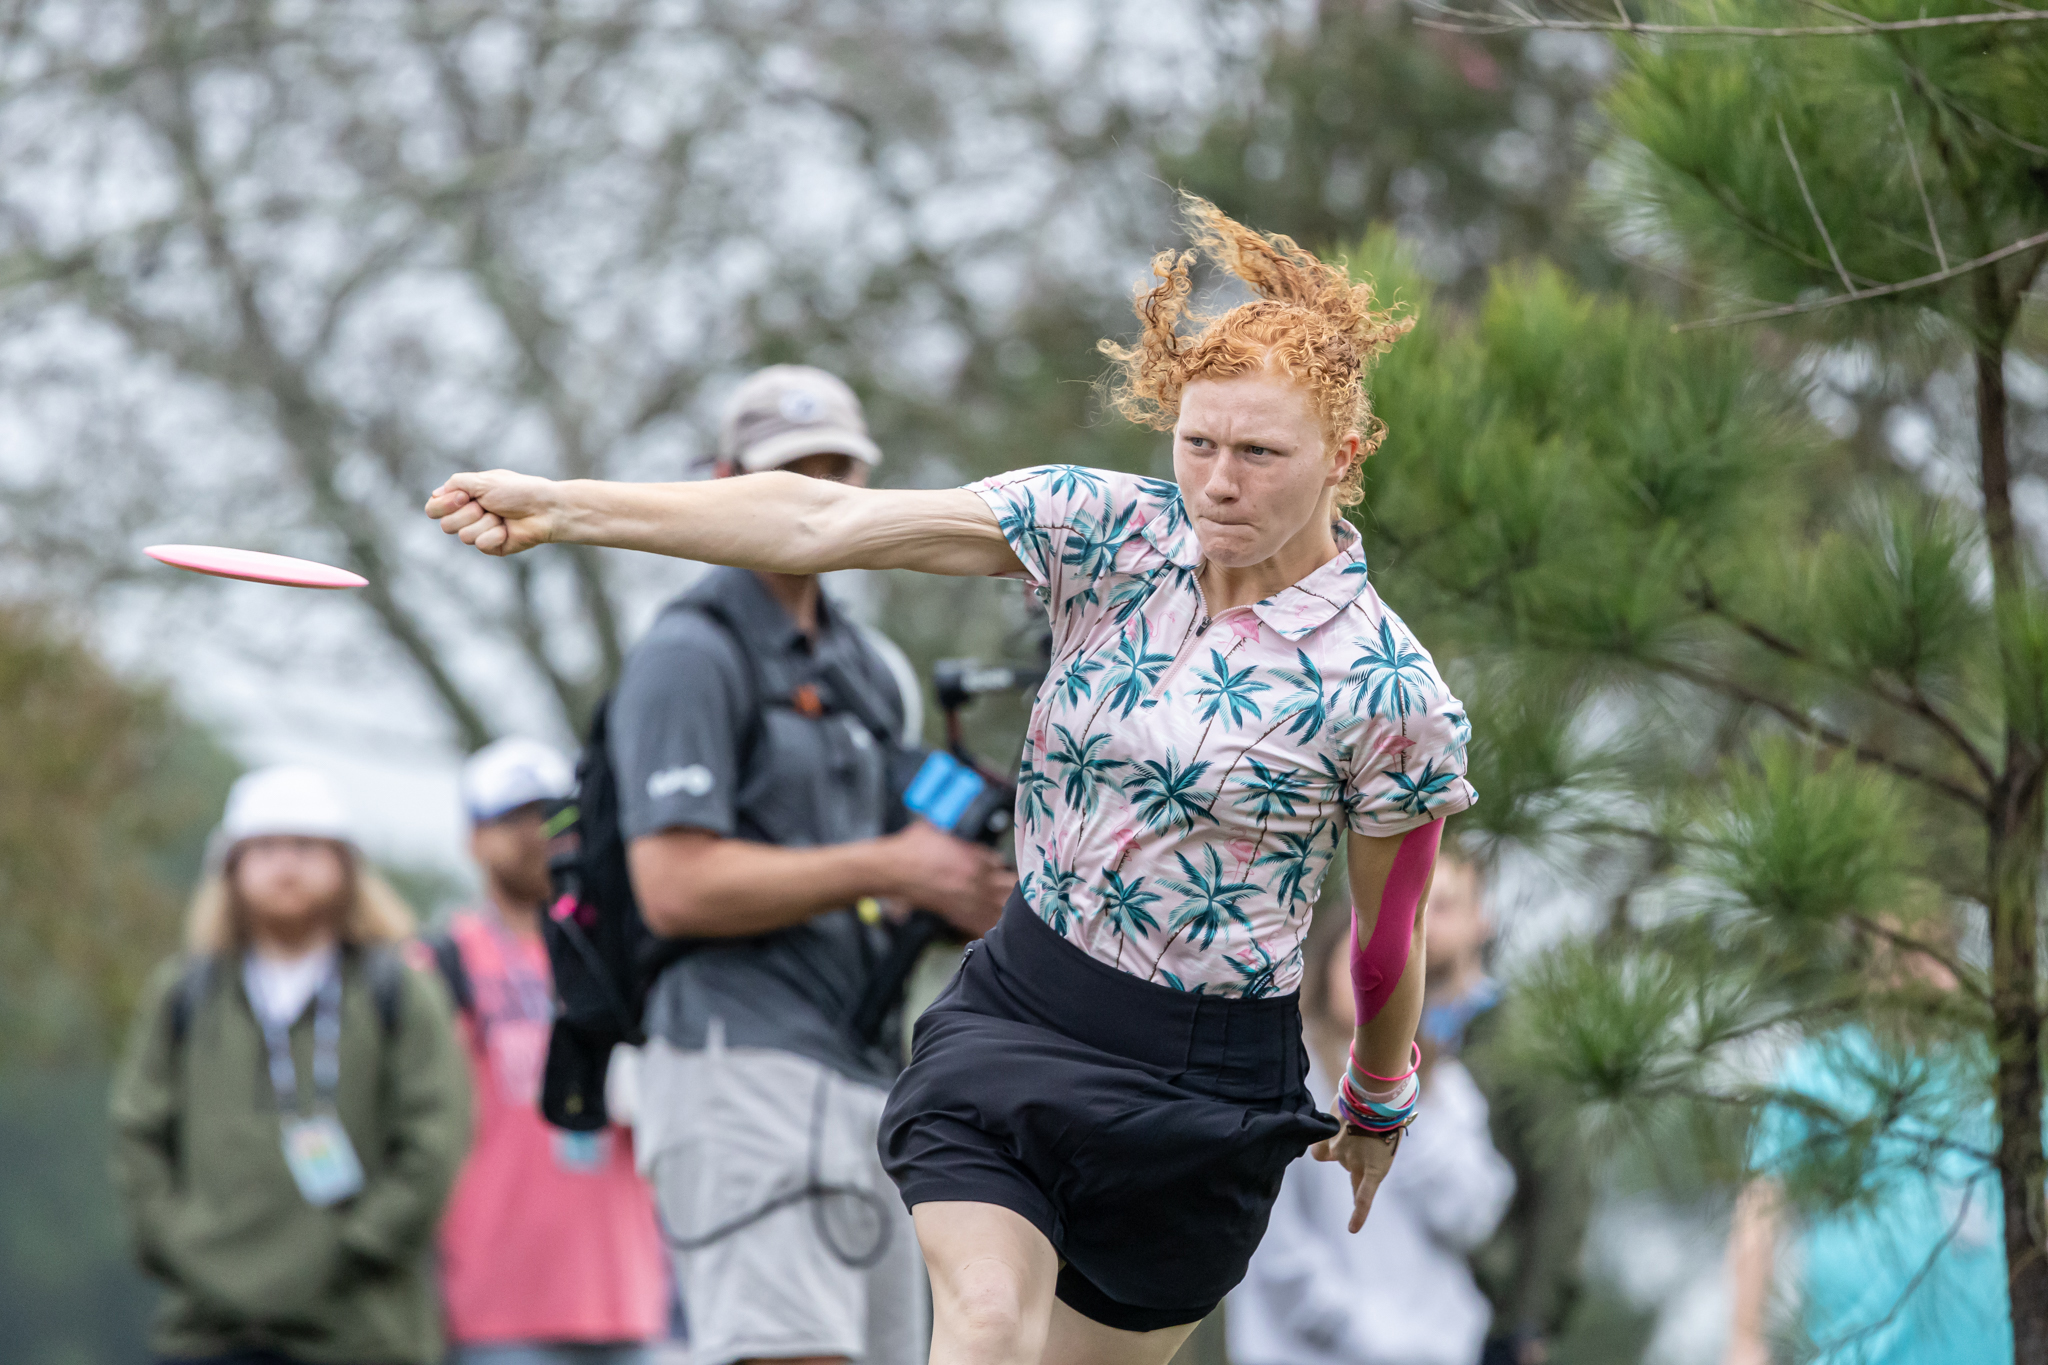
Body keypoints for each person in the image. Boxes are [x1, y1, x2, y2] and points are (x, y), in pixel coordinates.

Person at [425, 195, 1478, 1365]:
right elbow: (823, 516)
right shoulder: (1103, 531)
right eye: (1196, 443)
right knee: (981, 1323)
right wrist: (571, 507)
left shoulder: (1387, 687)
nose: (1216, 483)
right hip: (1024, 1013)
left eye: (1259, 454)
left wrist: (1380, 1095)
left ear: (1341, 456)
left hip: (1208, 1086)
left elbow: (1393, 932)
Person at [598, 364, 1012, 1365]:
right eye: (786, 474)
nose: (808, 498)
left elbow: (912, 860)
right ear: (723, 477)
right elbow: (674, 886)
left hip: (865, 1076)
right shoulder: (688, 654)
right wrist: (892, 865)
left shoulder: (866, 669)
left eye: (832, 472)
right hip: (734, 1070)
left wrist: (968, 890)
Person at [110, 765, 470, 1365]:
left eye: (306, 848)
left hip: (362, 1333)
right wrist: (176, 1243)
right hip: (209, 1330)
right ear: (231, 868)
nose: (286, 866)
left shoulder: (398, 990)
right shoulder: (184, 993)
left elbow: (437, 1135)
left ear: (347, 867)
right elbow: (137, 1132)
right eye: (266, 849)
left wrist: (359, 1245)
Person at [430, 738, 670, 1365]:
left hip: (629, 1294)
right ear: (473, 838)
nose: (538, 834)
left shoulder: (624, 955)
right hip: (493, 1304)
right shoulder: (438, 964)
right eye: (513, 819)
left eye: (555, 816)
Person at [1229, 892, 1514, 1365]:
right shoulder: (1283, 1080)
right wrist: (1372, 1336)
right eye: (1356, 961)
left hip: (1441, 1349)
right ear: (1323, 967)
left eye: (1388, 966)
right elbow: (1273, 1245)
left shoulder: (1444, 1085)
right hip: (1310, 1353)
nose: (1371, 981)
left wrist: (1410, 1110)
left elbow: (1474, 1217)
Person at [1721, 927, 2009, 1365]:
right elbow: (1764, 1204)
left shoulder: (1998, 1074)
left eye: (1937, 947)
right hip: (1856, 1353)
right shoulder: (1818, 1072)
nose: (1922, 970)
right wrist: (1745, 1342)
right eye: (1901, 953)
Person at [1419, 856, 1591, 1365]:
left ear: (1481, 919)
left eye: (1444, 906)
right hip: (1384, 1310)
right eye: (1414, 908)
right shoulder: (1374, 1035)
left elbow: (1561, 1186)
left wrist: (1530, 1323)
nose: (1425, 923)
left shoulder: (1520, 1036)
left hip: (1487, 1317)